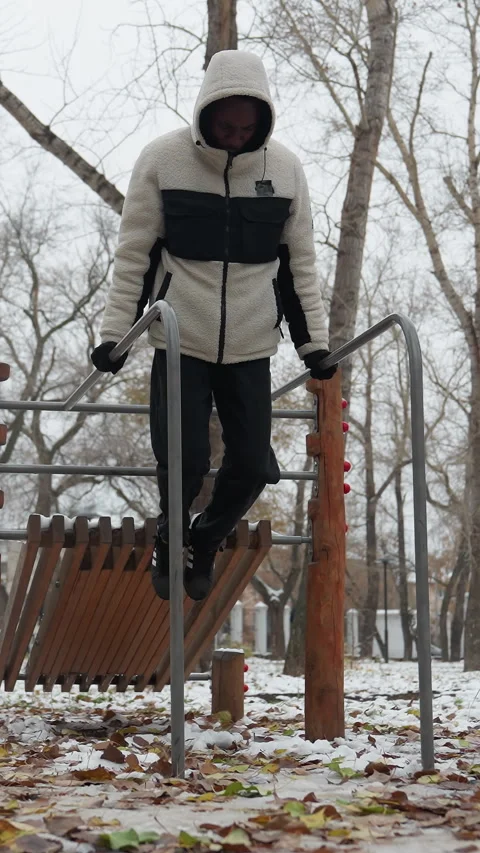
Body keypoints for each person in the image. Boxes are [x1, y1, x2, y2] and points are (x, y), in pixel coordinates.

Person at [91, 50, 337, 603]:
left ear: (264, 122)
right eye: (225, 125)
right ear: (205, 113)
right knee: (184, 459)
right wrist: (114, 336)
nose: (234, 137)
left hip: (251, 342)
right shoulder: (163, 160)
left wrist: (313, 343)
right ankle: (169, 534)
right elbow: (135, 255)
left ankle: (205, 537)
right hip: (181, 336)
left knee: (251, 466)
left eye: (247, 128)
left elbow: (300, 264)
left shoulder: (286, 170)